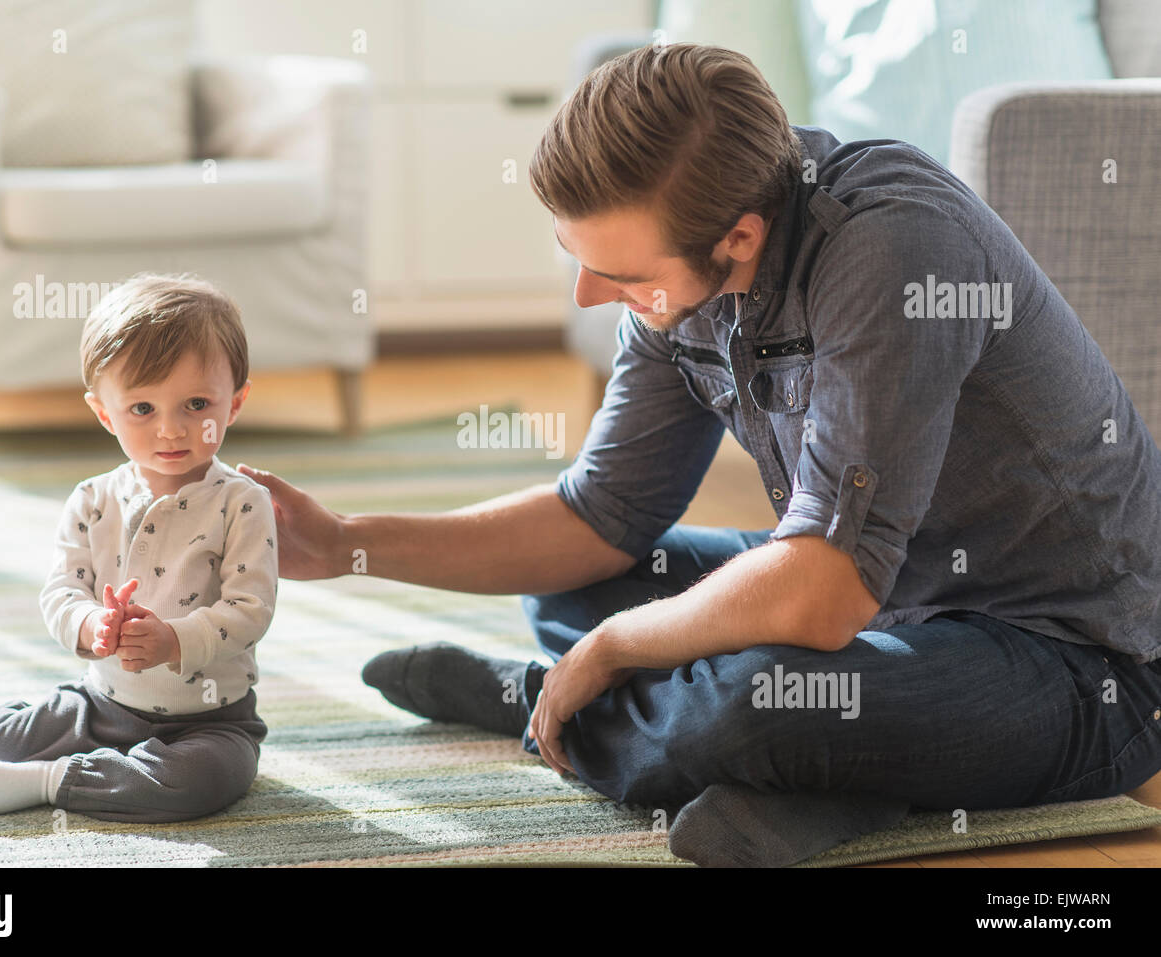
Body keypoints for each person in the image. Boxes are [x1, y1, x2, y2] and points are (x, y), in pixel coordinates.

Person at [239, 43, 1161, 866]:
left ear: (740, 237)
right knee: (569, 586)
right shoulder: (682, 271)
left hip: (1075, 657)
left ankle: (547, 702)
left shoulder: (895, 251)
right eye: (576, 255)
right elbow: (600, 518)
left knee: (754, 702)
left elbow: (826, 591)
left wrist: (608, 651)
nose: (591, 293)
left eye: (623, 272)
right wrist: (347, 540)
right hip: (878, 603)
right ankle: (829, 780)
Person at [0, 274, 279, 823]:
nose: (171, 430)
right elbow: (62, 590)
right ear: (105, 413)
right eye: (142, 409)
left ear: (236, 403)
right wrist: (89, 626)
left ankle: (56, 779)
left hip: (211, 721)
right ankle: (104, 760)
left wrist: (174, 639)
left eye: (196, 403)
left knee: (198, 783)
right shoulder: (92, 499)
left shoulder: (242, 503)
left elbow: (250, 610)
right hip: (101, 706)